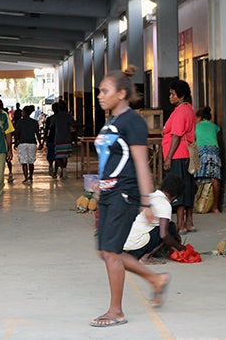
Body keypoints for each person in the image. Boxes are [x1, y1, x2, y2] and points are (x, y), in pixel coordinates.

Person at [91, 66, 169, 328]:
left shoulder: (132, 121)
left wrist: (147, 201)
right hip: (109, 191)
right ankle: (155, 279)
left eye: (105, 91)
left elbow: (140, 162)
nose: (100, 96)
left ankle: (116, 311)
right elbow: (110, 157)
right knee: (106, 251)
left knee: (111, 252)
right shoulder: (112, 121)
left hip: (125, 193)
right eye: (99, 91)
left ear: (121, 93)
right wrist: (101, 183)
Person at [124, 175, 186, 264]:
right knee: (169, 228)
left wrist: (176, 237)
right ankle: (145, 258)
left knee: (170, 226)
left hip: (124, 244)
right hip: (136, 246)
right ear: (175, 196)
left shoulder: (151, 196)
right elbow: (164, 235)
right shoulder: (165, 204)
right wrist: (179, 247)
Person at [162, 80, 197, 234]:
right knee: (188, 187)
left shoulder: (180, 111)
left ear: (181, 96)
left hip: (178, 155)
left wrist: (168, 157)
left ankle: (180, 225)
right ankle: (189, 222)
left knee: (178, 189)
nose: (170, 97)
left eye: (173, 94)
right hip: (186, 155)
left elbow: (176, 136)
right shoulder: (189, 109)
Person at [194, 106, 222, 213]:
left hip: (201, 152)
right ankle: (215, 207)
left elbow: (193, 140)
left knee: (197, 178)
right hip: (214, 152)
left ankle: (199, 202)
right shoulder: (215, 127)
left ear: (199, 117)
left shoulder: (196, 127)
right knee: (215, 179)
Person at [13, 105, 43, 184]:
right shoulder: (34, 122)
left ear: (25, 112)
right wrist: (40, 143)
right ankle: (31, 177)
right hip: (32, 143)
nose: (21, 113)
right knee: (31, 162)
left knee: (24, 162)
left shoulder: (20, 122)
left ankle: (26, 178)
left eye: (22, 111)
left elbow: (17, 133)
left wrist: (16, 142)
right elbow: (37, 133)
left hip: (22, 143)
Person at [50, 99, 75, 179]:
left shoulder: (55, 117)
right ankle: (64, 170)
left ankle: (63, 169)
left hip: (58, 138)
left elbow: (51, 126)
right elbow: (73, 125)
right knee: (65, 156)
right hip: (67, 138)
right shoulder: (68, 116)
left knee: (58, 156)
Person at [43, 102, 59, 177]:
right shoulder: (59, 118)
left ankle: (51, 166)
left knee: (51, 155)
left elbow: (46, 130)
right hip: (58, 138)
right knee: (57, 156)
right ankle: (55, 172)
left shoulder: (49, 118)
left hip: (51, 138)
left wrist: (44, 140)